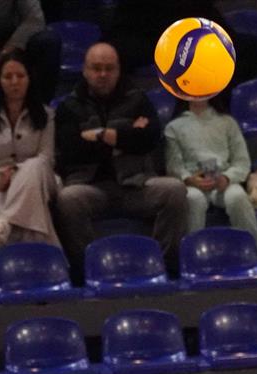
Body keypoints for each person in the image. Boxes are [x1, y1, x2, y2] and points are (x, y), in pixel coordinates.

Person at [54, 42, 187, 281]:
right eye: (96, 68)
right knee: (67, 199)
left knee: (175, 190)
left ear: (118, 70)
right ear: (85, 70)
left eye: (109, 68)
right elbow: (71, 150)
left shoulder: (137, 99)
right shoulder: (69, 107)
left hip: (135, 184)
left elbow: (150, 138)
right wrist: (126, 135)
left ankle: (164, 266)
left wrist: (100, 136)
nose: (103, 74)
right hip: (90, 186)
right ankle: (89, 271)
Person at [0, 48, 59, 249]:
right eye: (8, 77)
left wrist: (18, 174)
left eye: (20, 76)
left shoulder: (47, 115)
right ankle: (51, 255)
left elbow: (47, 158)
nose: (15, 82)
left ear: (29, 78)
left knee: (35, 164)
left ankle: (4, 223)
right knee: (34, 212)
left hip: (40, 180)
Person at [106, 0, 257, 99]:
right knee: (106, 54)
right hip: (145, 29)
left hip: (193, 26)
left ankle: (207, 100)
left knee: (253, 49)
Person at [164, 97, 257, 252]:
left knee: (237, 197)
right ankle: (192, 255)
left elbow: (242, 161)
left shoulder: (227, 122)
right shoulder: (174, 127)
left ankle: (253, 252)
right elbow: (174, 165)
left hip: (224, 181)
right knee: (193, 199)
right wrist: (189, 179)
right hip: (192, 184)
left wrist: (227, 178)